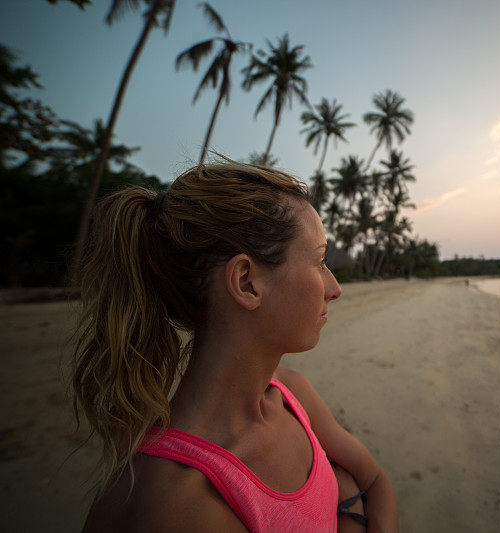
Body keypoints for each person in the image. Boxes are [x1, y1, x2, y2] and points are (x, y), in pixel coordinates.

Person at [71, 158, 398, 532]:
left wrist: (351, 498)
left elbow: (377, 484)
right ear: (247, 283)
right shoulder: (180, 505)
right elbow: (368, 489)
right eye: (320, 260)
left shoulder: (292, 393)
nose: (334, 288)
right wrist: (347, 496)